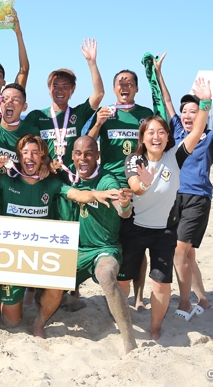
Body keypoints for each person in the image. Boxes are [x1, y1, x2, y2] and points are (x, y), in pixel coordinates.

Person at [0, 134, 121, 337]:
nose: (29, 157)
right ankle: (17, 299)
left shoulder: (51, 183)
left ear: (42, 158)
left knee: (58, 283)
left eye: (35, 153)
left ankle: (41, 311)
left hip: (41, 256)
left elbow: (76, 194)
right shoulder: (7, 180)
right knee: (12, 322)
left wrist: (95, 194)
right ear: (19, 157)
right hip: (12, 257)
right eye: (25, 153)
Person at [119, 78, 212, 340]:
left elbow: (197, 130)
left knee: (161, 283)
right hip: (134, 229)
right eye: (150, 132)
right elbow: (135, 186)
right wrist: (143, 184)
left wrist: (205, 103)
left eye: (161, 132)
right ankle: (121, 318)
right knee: (122, 281)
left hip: (164, 232)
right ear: (143, 137)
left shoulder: (175, 157)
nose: (156, 136)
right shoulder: (134, 159)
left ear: (167, 137)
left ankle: (156, 327)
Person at [154, 54, 213, 318]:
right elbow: (166, 101)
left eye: (194, 111)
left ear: (202, 115)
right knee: (189, 257)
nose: (188, 116)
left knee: (180, 252)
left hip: (197, 198)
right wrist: (158, 72)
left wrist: (210, 103)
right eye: (185, 111)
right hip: (173, 198)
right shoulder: (176, 130)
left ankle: (185, 303)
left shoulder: (210, 136)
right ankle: (204, 300)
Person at [60, 136, 137, 354]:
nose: (83, 158)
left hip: (103, 249)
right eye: (78, 153)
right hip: (74, 250)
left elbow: (123, 211)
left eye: (88, 154)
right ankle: (71, 299)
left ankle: (129, 341)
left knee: (105, 274)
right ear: (72, 155)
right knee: (44, 293)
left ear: (97, 156)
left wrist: (124, 205)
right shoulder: (69, 178)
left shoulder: (107, 181)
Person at [87, 68, 154, 310]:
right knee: (115, 242)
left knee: (139, 243)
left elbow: (155, 145)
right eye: (120, 82)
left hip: (138, 185)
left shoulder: (145, 114)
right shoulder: (106, 113)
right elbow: (87, 142)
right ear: (114, 88)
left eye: (129, 82)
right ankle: (115, 293)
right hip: (111, 185)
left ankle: (139, 296)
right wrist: (98, 122)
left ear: (136, 88)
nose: (124, 86)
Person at [24, 39, 104, 163]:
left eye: (65, 87)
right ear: (49, 89)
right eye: (55, 86)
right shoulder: (37, 116)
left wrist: (91, 62)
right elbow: (24, 142)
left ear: (73, 89)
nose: (59, 91)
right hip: (46, 174)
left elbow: (99, 94)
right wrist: (45, 162)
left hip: (73, 174)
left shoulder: (78, 113)